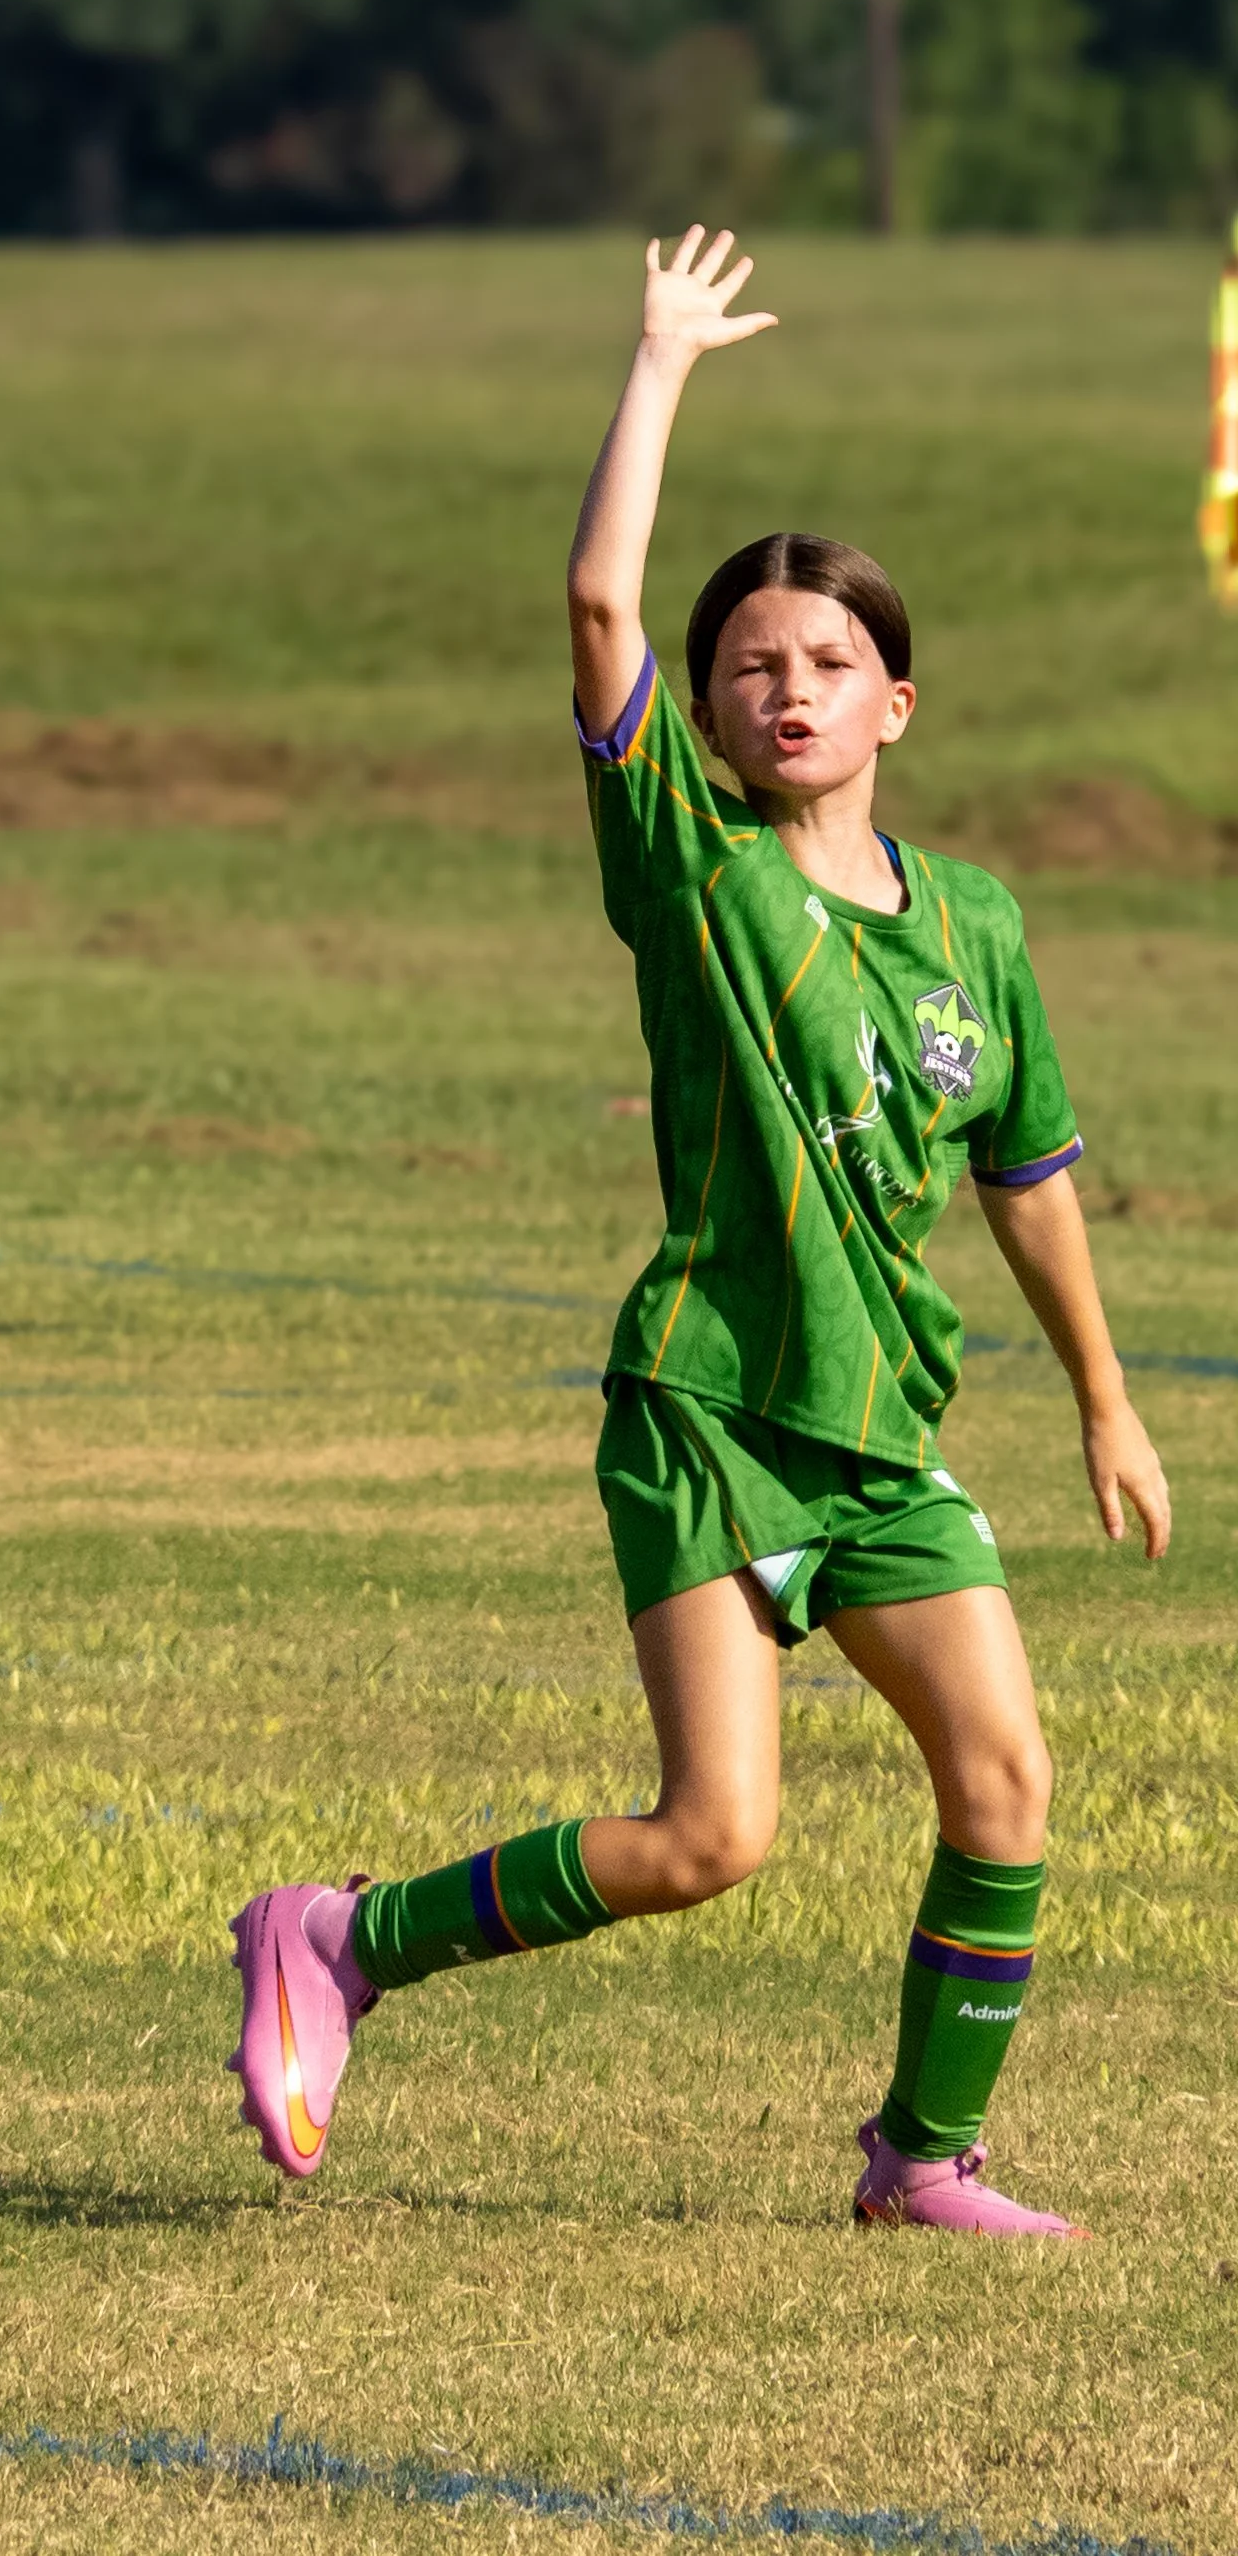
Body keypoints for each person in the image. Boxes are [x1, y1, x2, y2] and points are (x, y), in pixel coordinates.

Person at [226, 229, 1171, 2237]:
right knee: (707, 1834)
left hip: (882, 1429)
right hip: (710, 1402)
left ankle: (920, 2155)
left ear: (894, 700)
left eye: (822, 659)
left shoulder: (976, 923)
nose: (779, 683)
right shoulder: (690, 865)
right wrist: (655, 360)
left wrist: (1102, 1396)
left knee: (1001, 1784)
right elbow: (589, 598)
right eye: (746, 661)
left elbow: (1027, 1174)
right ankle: (337, 1933)